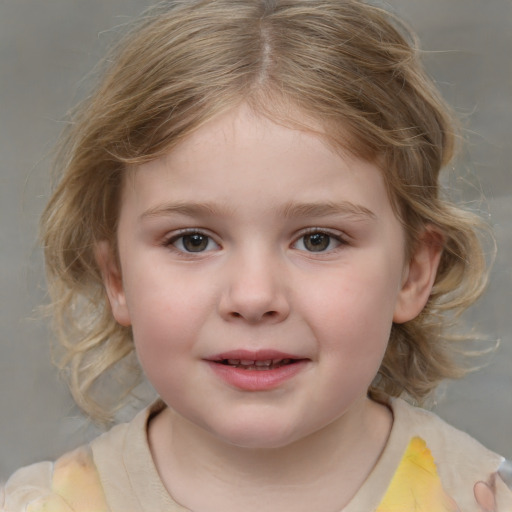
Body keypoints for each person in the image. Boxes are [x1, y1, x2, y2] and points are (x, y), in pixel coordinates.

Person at [1, 0, 511, 511]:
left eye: (318, 240)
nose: (253, 296)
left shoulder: (475, 496)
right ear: (116, 278)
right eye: (192, 241)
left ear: (413, 273)